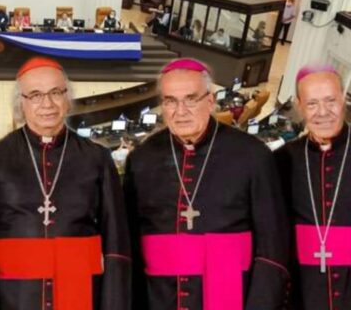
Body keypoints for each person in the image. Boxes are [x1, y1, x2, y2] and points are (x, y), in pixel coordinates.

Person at [0, 57, 131, 310]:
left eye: (56, 93)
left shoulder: (97, 157)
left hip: (82, 292)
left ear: (67, 97)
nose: (47, 104)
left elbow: (116, 243)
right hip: (14, 296)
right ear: (21, 102)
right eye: (35, 95)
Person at [124, 58, 290, 310]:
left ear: (210, 101)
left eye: (191, 99)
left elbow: (273, 247)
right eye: (170, 101)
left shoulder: (253, 155)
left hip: (232, 296)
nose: (180, 111)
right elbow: (130, 244)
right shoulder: (141, 159)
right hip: (158, 297)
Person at [275, 65, 350, 309]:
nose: (323, 112)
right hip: (300, 289)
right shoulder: (282, 160)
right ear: (298, 105)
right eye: (312, 104)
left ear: (343, 99)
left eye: (331, 101)